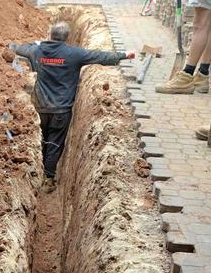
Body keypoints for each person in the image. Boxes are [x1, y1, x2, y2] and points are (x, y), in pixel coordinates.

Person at [8, 21, 135, 190]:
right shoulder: (74, 53)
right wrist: (125, 55)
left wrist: (10, 45)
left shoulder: (37, 51)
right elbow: (101, 56)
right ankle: (48, 178)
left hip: (40, 105)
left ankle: (39, 169)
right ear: (66, 37)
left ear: (50, 35)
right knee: (54, 142)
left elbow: (19, 49)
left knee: (43, 138)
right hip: (61, 108)